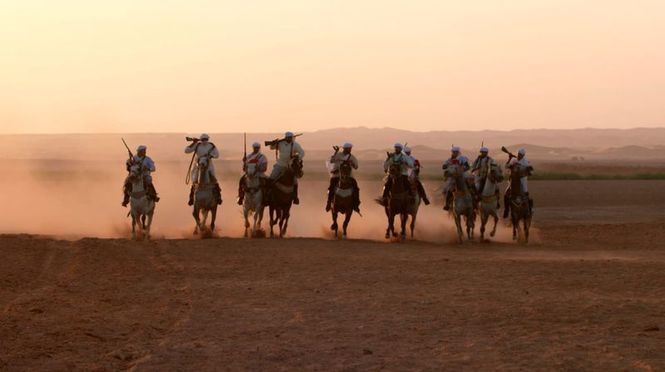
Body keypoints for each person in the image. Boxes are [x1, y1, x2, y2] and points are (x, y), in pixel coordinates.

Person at [185, 133, 222, 206]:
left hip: (208, 165)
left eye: (206, 139)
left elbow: (217, 154)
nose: (205, 141)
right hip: (198, 165)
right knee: (195, 180)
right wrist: (193, 143)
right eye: (203, 139)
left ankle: (218, 197)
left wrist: (211, 156)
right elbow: (186, 151)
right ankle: (191, 198)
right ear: (201, 140)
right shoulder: (197, 145)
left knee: (214, 180)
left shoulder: (211, 145)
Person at [268, 131, 305, 204]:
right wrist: (273, 143)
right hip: (280, 164)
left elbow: (302, 152)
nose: (289, 139)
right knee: (271, 178)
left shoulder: (295, 145)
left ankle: (295, 197)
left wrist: (297, 157)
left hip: (290, 167)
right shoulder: (280, 143)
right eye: (288, 138)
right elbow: (271, 148)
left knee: (295, 182)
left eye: (290, 138)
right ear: (285, 138)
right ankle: (269, 195)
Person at [326, 142, 360, 213]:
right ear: (345, 149)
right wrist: (335, 152)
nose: (350, 150)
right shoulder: (338, 155)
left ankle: (356, 204)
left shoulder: (352, 157)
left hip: (349, 176)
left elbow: (356, 166)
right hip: (337, 175)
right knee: (331, 187)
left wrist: (352, 163)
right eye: (348, 149)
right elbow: (332, 160)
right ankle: (329, 203)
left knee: (356, 188)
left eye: (350, 149)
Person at [503, 148, 534, 218]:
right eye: (518, 154)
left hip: (522, 181)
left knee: (526, 194)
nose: (519, 156)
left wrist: (528, 170)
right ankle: (506, 210)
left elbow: (530, 171)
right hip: (513, 181)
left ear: (523, 155)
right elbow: (506, 166)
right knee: (506, 194)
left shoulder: (525, 162)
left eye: (520, 155)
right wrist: (509, 158)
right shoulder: (514, 160)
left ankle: (530, 209)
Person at [442, 146, 471, 210]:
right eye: (453, 152)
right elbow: (444, 166)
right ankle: (447, 204)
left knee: (470, 185)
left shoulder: (462, 158)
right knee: (449, 189)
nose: (454, 153)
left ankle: (475, 200)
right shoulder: (449, 160)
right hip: (453, 178)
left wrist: (461, 170)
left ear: (458, 152)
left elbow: (468, 167)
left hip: (463, 176)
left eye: (455, 152)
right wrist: (445, 166)